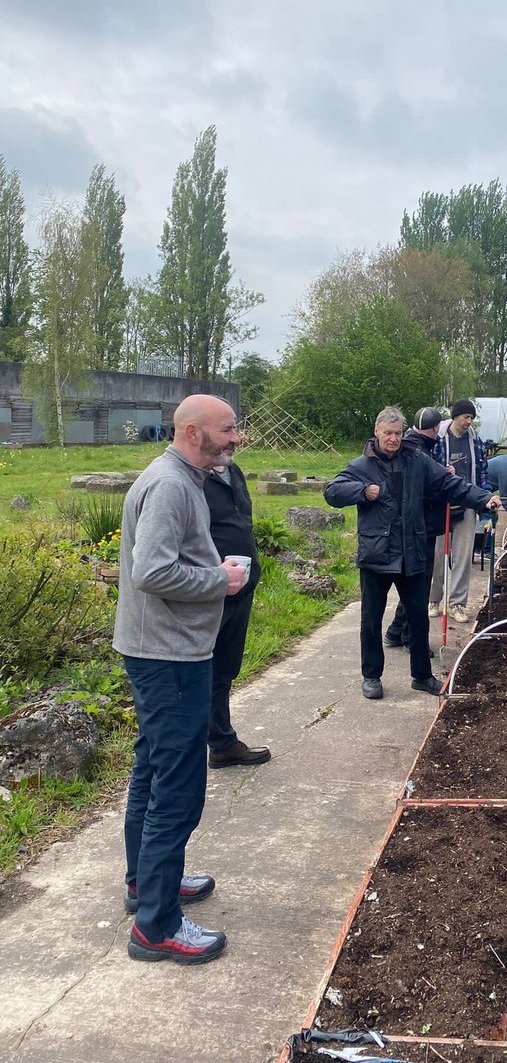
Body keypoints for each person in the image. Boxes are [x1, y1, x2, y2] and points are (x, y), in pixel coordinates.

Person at [114, 395, 249, 965]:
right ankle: (158, 926)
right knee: (177, 784)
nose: (236, 437)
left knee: (153, 767)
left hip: (160, 650)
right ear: (194, 433)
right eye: (227, 430)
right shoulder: (170, 485)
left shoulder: (185, 476)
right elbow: (152, 571)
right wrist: (219, 579)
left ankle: (147, 884)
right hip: (169, 657)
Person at [325, 406, 501, 699]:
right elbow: (332, 492)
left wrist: (483, 498)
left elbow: (449, 484)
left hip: (411, 552)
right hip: (377, 555)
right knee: (371, 619)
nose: (393, 439)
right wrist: (362, 491)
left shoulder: (416, 460)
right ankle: (371, 676)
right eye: (387, 433)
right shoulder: (361, 465)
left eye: (397, 433)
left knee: (418, 618)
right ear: (377, 432)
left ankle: (421, 675)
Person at [205, 459, 271, 769]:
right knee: (200, 671)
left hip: (241, 583)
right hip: (210, 588)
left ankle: (221, 743)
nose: (235, 438)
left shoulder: (232, 471)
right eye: (227, 431)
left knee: (225, 668)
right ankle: (198, 747)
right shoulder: (193, 478)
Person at [383, 407, 444, 651]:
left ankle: (396, 631)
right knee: (418, 584)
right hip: (421, 528)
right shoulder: (417, 452)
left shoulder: (415, 447)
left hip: (417, 526)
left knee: (413, 583)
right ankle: (410, 636)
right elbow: (422, 490)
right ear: (435, 428)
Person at [428, 398, 491, 623]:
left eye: (472, 417)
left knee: (463, 557)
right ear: (455, 416)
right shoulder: (438, 439)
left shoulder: (476, 442)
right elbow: (428, 466)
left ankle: (457, 604)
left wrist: (483, 500)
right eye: (465, 416)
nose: (469, 421)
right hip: (441, 503)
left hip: (466, 503)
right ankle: (434, 599)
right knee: (437, 555)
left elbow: (482, 471)